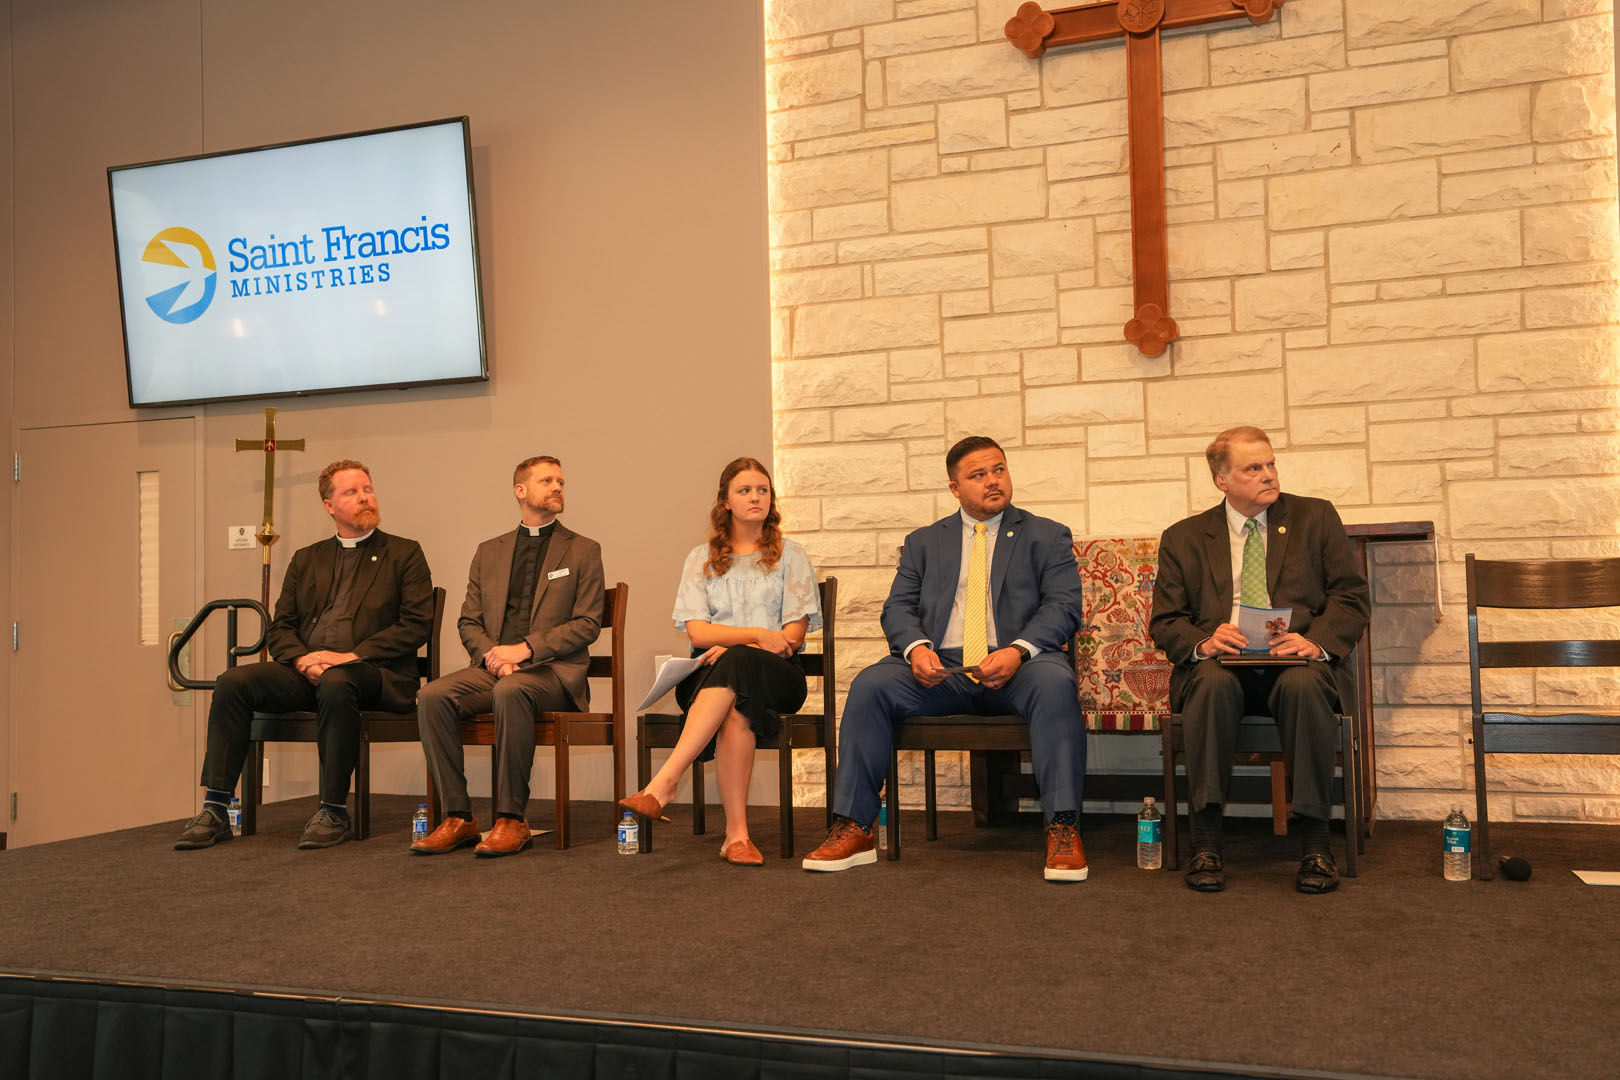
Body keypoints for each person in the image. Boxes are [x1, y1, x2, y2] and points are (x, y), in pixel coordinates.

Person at [801, 436, 1088, 882]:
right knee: (870, 685)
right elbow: (897, 608)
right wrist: (916, 649)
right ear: (955, 488)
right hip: (943, 667)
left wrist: (1017, 651)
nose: (993, 481)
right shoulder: (923, 542)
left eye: (999, 470)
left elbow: (1064, 606)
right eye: (979, 475)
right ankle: (855, 827)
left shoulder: (1046, 535)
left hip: (1020, 665)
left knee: (1056, 683)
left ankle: (1063, 827)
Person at [1148, 426, 1369, 894]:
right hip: (1222, 665)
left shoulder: (1315, 517)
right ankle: (1205, 840)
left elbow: (1350, 598)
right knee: (1209, 682)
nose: (1269, 475)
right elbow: (1166, 621)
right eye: (1254, 468)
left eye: (1271, 464)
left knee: (1303, 685)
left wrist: (1316, 643)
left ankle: (1315, 843)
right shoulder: (1183, 537)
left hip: (1295, 661)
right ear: (1222, 480)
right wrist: (1204, 641)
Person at [175, 460, 434, 851]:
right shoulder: (307, 558)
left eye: (368, 488)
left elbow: (415, 625)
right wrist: (302, 660)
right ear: (329, 505)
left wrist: (347, 656)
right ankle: (216, 808)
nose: (365, 497)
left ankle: (333, 811)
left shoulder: (404, 553)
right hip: (309, 671)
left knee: (336, 680)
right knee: (233, 682)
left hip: (374, 673)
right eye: (352, 492)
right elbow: (281, 627)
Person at [619, 457, 821, 866]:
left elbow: (792, 640)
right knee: (735, 702)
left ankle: (665, 781)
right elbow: (698, 634)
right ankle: (736, 837)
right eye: (745, 490)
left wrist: (744, 643)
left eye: (762, 490)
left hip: (779, 678)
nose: (755, 497)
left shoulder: (792, 556)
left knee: (741, 663)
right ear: (725, 502)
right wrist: (756, 634)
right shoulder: (701, 559)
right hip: (710, 678)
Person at [410, 456, 605, 857]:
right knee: (432, 696)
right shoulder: (489, 552)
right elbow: (469, 621)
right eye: (547, 480)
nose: (557, 487)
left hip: (554, 674)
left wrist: (526, 649)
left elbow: (587, 624)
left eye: (561, 481)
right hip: (496, 669)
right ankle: (459, 817)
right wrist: (494, 658)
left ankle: (511, 819)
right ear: (520, 491)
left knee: (512, 691)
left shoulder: (583, 550)